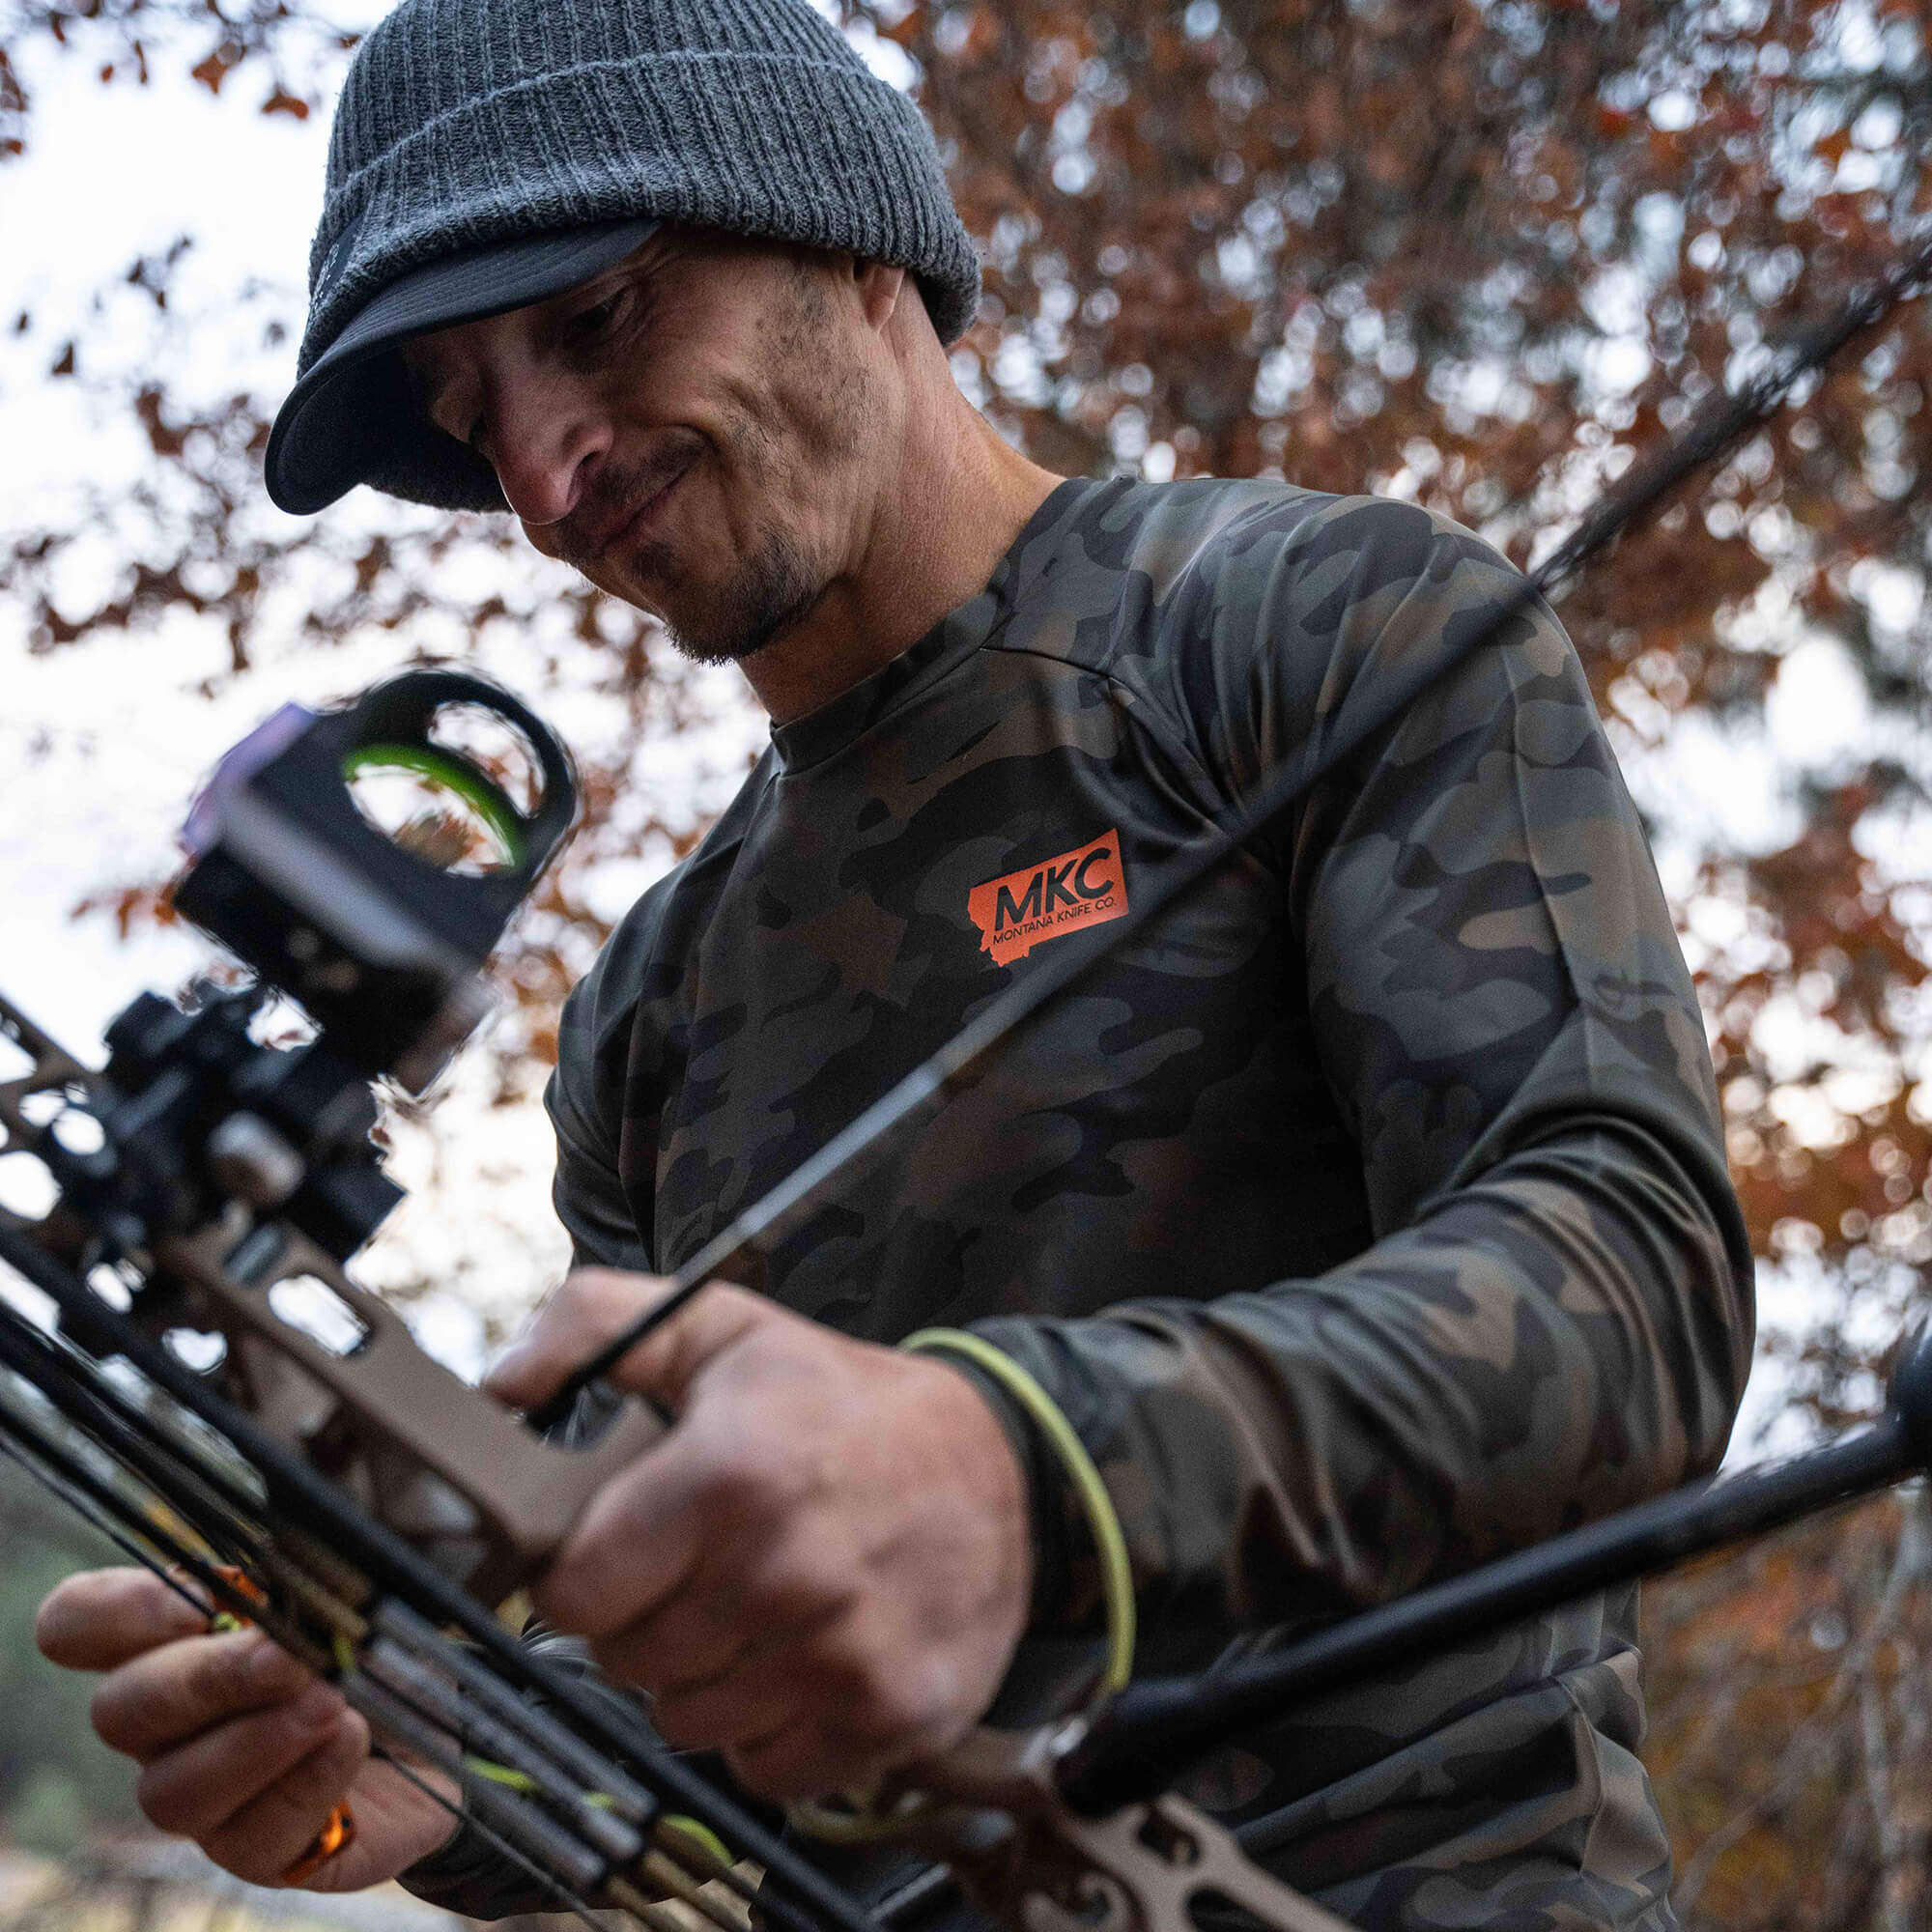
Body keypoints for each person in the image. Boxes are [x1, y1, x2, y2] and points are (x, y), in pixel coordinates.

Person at [33, 0, 1755, 1925]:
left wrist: (1020, 1474)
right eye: (464, 421)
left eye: (594, 319)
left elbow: (1633, 1294)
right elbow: (677, 1670)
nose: (540, 482)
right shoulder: (652, 1008)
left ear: (846, 240)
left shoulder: (1306, 627)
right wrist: (431, 1763)